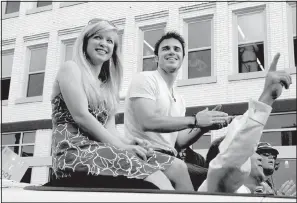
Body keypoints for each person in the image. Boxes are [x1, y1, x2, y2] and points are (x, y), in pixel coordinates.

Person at [50, 18, 192, 190]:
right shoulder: (70, 68)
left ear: (113, 50)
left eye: (110, 41)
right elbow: (81, 116)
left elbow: (109, 129)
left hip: (104, 149)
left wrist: (131, 142)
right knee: (156, 178)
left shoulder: (107, 86)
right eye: (97, 37)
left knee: (178, 167)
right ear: (85, 41)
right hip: (74, 152)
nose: (104, 44)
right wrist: (123, 147)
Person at [124, 31, 231, 190]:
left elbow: (178, 141)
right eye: (166, 48)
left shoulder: (179, 99)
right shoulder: (145, 79)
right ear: (156, 58)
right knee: (181, 169)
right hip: (144, 153)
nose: (172, 51)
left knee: (214, 178)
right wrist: (195, 120)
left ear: (182, 58)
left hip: (169, 156)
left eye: (177, 49)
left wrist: (203, 128)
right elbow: (147, 121)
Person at [198, 53, 293, 194]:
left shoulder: (253, 193)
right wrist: (267, 97)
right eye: (253, 151)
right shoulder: (217, 188)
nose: (260, 157)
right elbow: (237, 151)